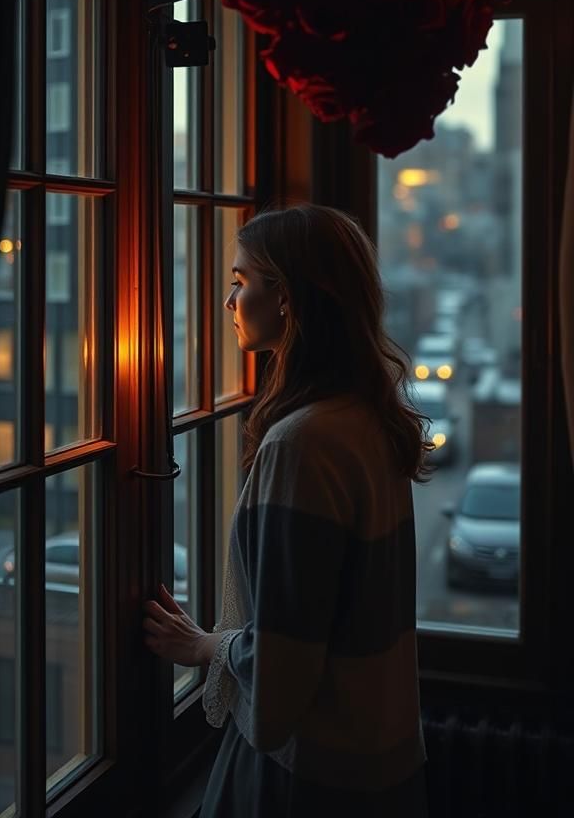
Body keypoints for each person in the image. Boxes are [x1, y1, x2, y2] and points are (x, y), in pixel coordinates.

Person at [143, 204, 433, 817]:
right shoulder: (367, 419)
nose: (230, 301)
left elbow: (283, 666)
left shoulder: (302, 445)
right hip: (382, 760)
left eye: (241, 280)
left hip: (313, 778)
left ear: (286, 298)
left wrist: (205, 647)